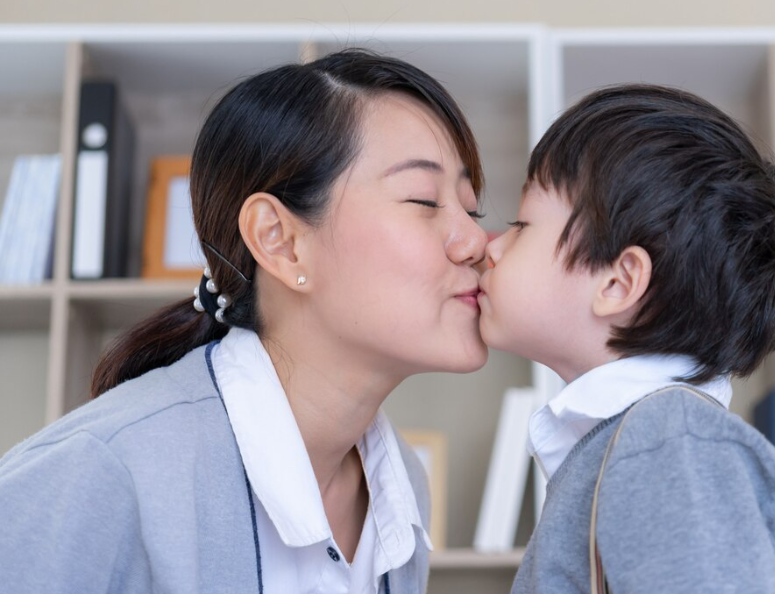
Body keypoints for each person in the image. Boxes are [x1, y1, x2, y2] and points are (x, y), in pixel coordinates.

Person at [0, 49, 488, 594]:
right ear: (280, 242)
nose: (474, 241)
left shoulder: (402, 485)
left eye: (472, 210)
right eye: (424, 200)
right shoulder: (103, 473)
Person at [477, 83, 775, 594]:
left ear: (617, 283)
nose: (491, 247)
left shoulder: (669, 440)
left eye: (521, 225)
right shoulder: (646, 439)